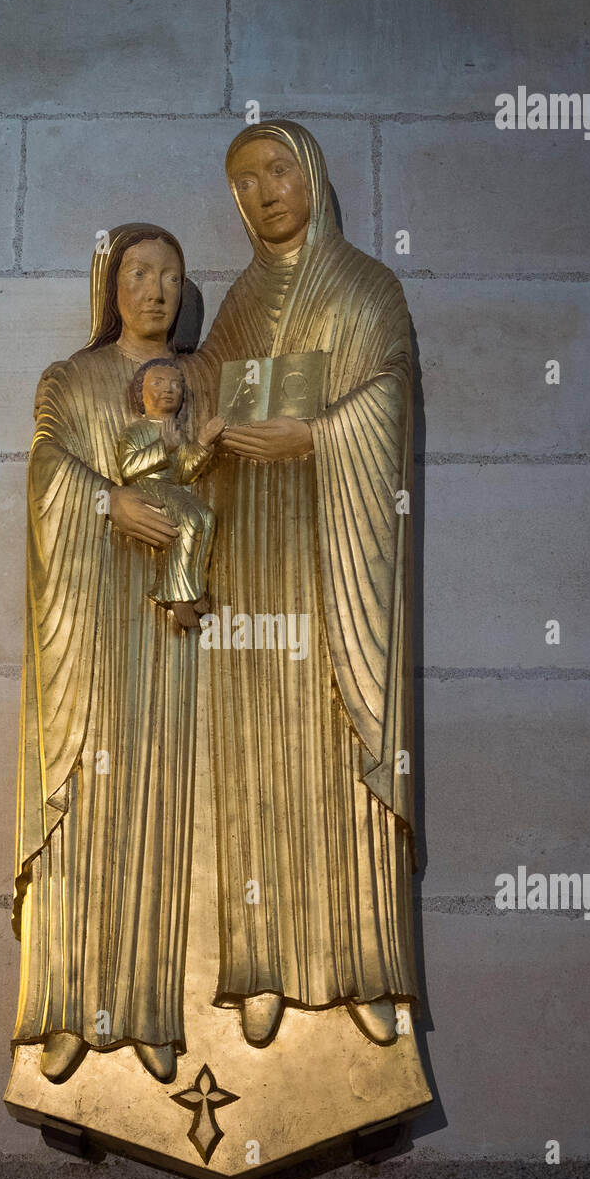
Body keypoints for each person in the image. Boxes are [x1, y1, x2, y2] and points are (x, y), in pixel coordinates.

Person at [188, 121, 420, 1047]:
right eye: (242, 183)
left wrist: (316, 436)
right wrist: (185, 401)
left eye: (276, 171)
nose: (262, 192)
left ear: (311, 174)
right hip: (253, 558)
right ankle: (264, 964)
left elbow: (386, 397)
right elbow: (206, 394)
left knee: (332, 745)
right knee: (257, 751)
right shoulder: (239, 303)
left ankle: (364, 963)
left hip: (334, 554)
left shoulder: (367, 287)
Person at [12, 224, 201, 1086]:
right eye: (138, 272)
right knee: (86, 801)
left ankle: (147, 1010)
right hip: (88, 619)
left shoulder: (197, 385)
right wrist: (106, 505)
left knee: (154, 800)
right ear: (110, 285)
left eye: (169, 275)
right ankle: (64, 1008)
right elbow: (48, 469)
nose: (155, 289)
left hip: (167, 623)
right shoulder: (72, 378)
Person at [116, 357, 224, 630]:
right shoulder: (136, 430)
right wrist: (164, 445)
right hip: (147, 488)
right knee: (187, 520)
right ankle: (178, 597)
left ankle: (194, 589)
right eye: (159, 382)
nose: (169, 389)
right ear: (141, 393)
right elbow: (129, 469)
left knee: (206, 517)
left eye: (176, 384)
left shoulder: (178, 433)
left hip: (171, 488)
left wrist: (203, 441)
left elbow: (186, 472)